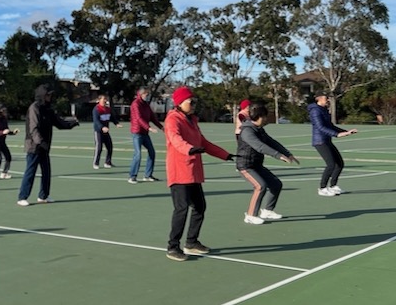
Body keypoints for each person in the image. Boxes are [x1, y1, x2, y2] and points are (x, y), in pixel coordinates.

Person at [164, 86, 235, 261]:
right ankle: (173, 247)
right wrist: (190, 149)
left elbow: (204, 142)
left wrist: (224, 154)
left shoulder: (192, 120)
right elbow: (176, 140)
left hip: (193, 171)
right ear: (180, 103)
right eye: (191, 101)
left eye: (194, 101)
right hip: (179, 171)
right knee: (181, 209)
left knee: (199, 207)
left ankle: (191, 242)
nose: (194, 104)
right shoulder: (173, 119)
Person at [235, 102, 299, 225]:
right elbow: (260, 146)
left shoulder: (259, 129)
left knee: (276, 184)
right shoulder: (247, 131)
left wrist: (287, 153)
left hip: (257, 165)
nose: (267, 118)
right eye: (265, 116)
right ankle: (250, 215)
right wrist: (278, 155)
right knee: (260, 186)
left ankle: (267, 211)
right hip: (245, 166)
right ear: (260, 116)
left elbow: (271, 142)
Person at [17, 84, 79, 206]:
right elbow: (33, 128)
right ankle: (22, 197)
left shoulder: (48, 109)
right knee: (30, 171)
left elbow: (59, 123)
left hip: (44, 146)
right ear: (42, 95)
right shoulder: (34, 108)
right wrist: (40, 142)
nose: (50, 97)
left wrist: (72, 123)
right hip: (34, 146)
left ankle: (43, 196)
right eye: (48, 94)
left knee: (46, 172)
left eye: (51, 95)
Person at [308, 93, 357, 196]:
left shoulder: (324, 110)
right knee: (330, 165)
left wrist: (346, 132)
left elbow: (330, 126)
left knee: (339, 164)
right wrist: (337, 134)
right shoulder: (315, 111)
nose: (328, 101)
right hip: (320, 141)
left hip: (327, 140)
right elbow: (320, 127)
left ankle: (333, 186)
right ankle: (322, 188)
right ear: (319, 99)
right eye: (326, 99)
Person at [128, 86, 163, 184]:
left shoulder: (146, 105)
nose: (147, 96)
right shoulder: (135, 104)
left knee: (152, 152)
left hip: (145, 133)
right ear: (141, 94)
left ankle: (148, 175)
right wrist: (149, 128)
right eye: (146, 94)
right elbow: (139, 119)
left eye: (148, 95)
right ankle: (132, 176)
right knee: (138, 154)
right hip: (137, 133)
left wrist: (161, 127)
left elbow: (152, 117)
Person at [0, 104, 19, 180]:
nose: (5, 112)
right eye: (4, 110)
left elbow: (7, 130)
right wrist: (2, 132)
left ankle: (4, 173)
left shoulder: (4, 119)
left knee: (8, 157)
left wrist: (13, 132)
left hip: (2, 141)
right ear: (0, 111)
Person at [91, 94, 121, 169]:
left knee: (110, 147)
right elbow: (96, 121)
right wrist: (102, 127)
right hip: (98, 132)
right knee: (99, 148)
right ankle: (96, 163)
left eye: (106, 99)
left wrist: (116, 123)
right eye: (104, 99)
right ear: (99, 100)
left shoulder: (108, 109)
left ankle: (108, 162)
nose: (105, 100)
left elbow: (112, 118)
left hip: (106, 132)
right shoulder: (96, 109)